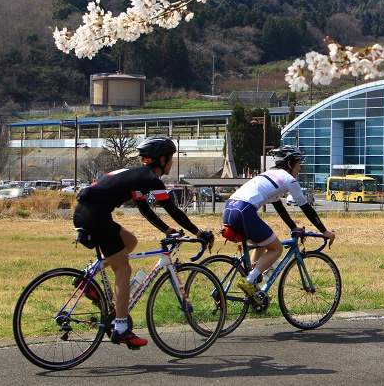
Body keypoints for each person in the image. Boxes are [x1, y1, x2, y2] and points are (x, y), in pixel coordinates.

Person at [73, 136, 214, 348]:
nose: (172, 163)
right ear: (163, 159)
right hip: (97, 215)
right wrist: (198, 232)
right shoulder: (150, 179)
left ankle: (89, 276)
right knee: (123, 270)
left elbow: (145, 210)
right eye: (172, 158)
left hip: (85, 212)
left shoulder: (137, 176)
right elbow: (171, 208)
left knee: (130, 242)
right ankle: (122, 328)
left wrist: (168, 230)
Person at [222, 145, 335, 302]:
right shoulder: (289, 179)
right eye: (298, 164)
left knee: (262, 243)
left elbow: (279, 206)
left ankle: (253, 281)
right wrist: (324, 231)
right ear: (290, 163)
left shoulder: (268, 175)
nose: (300, 168)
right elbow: (306, 208)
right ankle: (249, 280)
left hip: (229, 209)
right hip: (244, 211)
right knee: (276, 248)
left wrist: (293, 227)